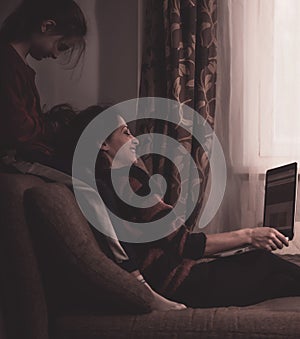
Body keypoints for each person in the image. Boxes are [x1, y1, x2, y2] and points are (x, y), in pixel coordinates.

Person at [53, 105, 300, 311]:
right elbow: (184, 244)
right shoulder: (127, 182)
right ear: (102, 144)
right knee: (265, 264)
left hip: (175, 278)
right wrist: (248, 236)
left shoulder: (109, 183)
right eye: (126, 132)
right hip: (179, 284)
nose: (135, 140)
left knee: (279, 277)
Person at [0, 0, 87, 168]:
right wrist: (51, 128)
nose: (55, 55)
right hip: (14, 158)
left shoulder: (20, 66)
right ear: (46, 26)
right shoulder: (7, 63)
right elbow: (18, 130)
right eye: (61, 46)